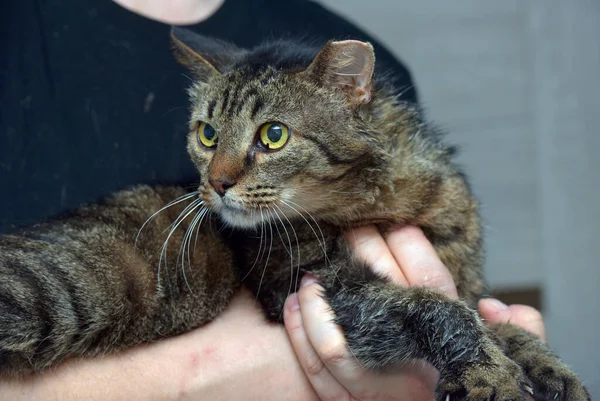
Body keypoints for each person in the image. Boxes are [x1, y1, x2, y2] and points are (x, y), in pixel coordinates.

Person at [0, 1, 547, 400]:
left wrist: (513, 363)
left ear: (354, 100)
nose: (221, 176)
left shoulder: (349, 62)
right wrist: (189, 378)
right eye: (209, 138)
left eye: (272, 137)